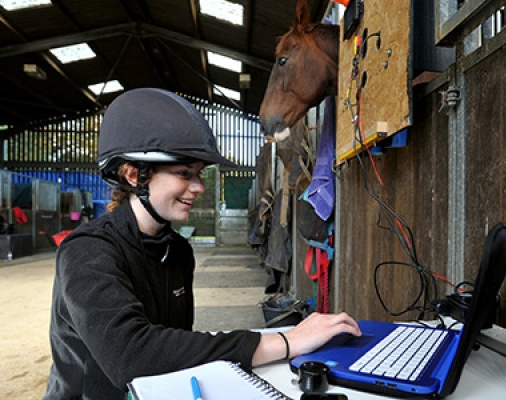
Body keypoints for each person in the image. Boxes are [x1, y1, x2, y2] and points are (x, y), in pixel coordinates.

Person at [42, 88, 361, 400]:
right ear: (133, 175)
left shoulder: (177, 250)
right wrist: (287, 341)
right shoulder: (86, 251)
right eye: (184, 173)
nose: (198, 187)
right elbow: (131, 355)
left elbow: (174, 345)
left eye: (198, 174)